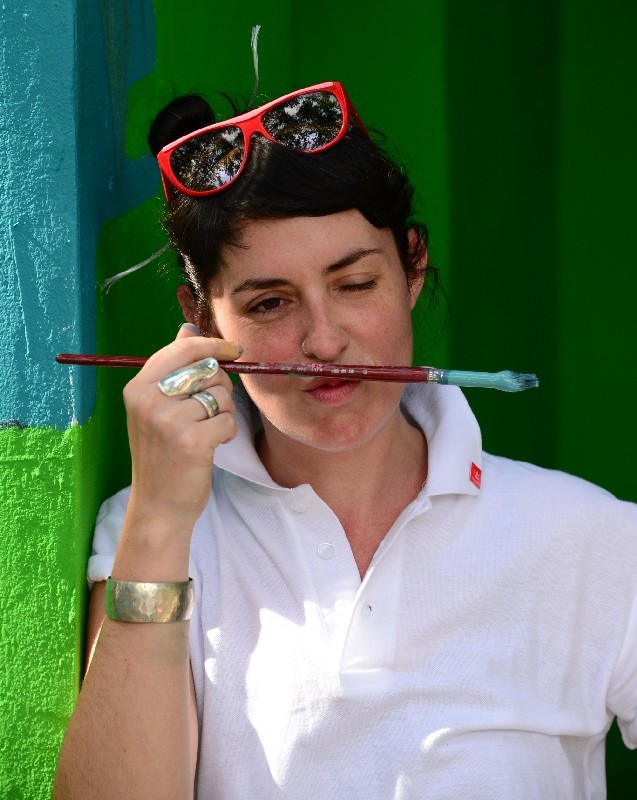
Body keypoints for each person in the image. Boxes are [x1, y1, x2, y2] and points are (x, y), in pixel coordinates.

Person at [54, 81, 637, 799]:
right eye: (270, 303)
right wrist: (159, 522)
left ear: (411, 266)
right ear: (201, 321)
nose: (324, 341)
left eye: (355, 283)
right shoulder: (152, 536)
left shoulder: (593, 539)